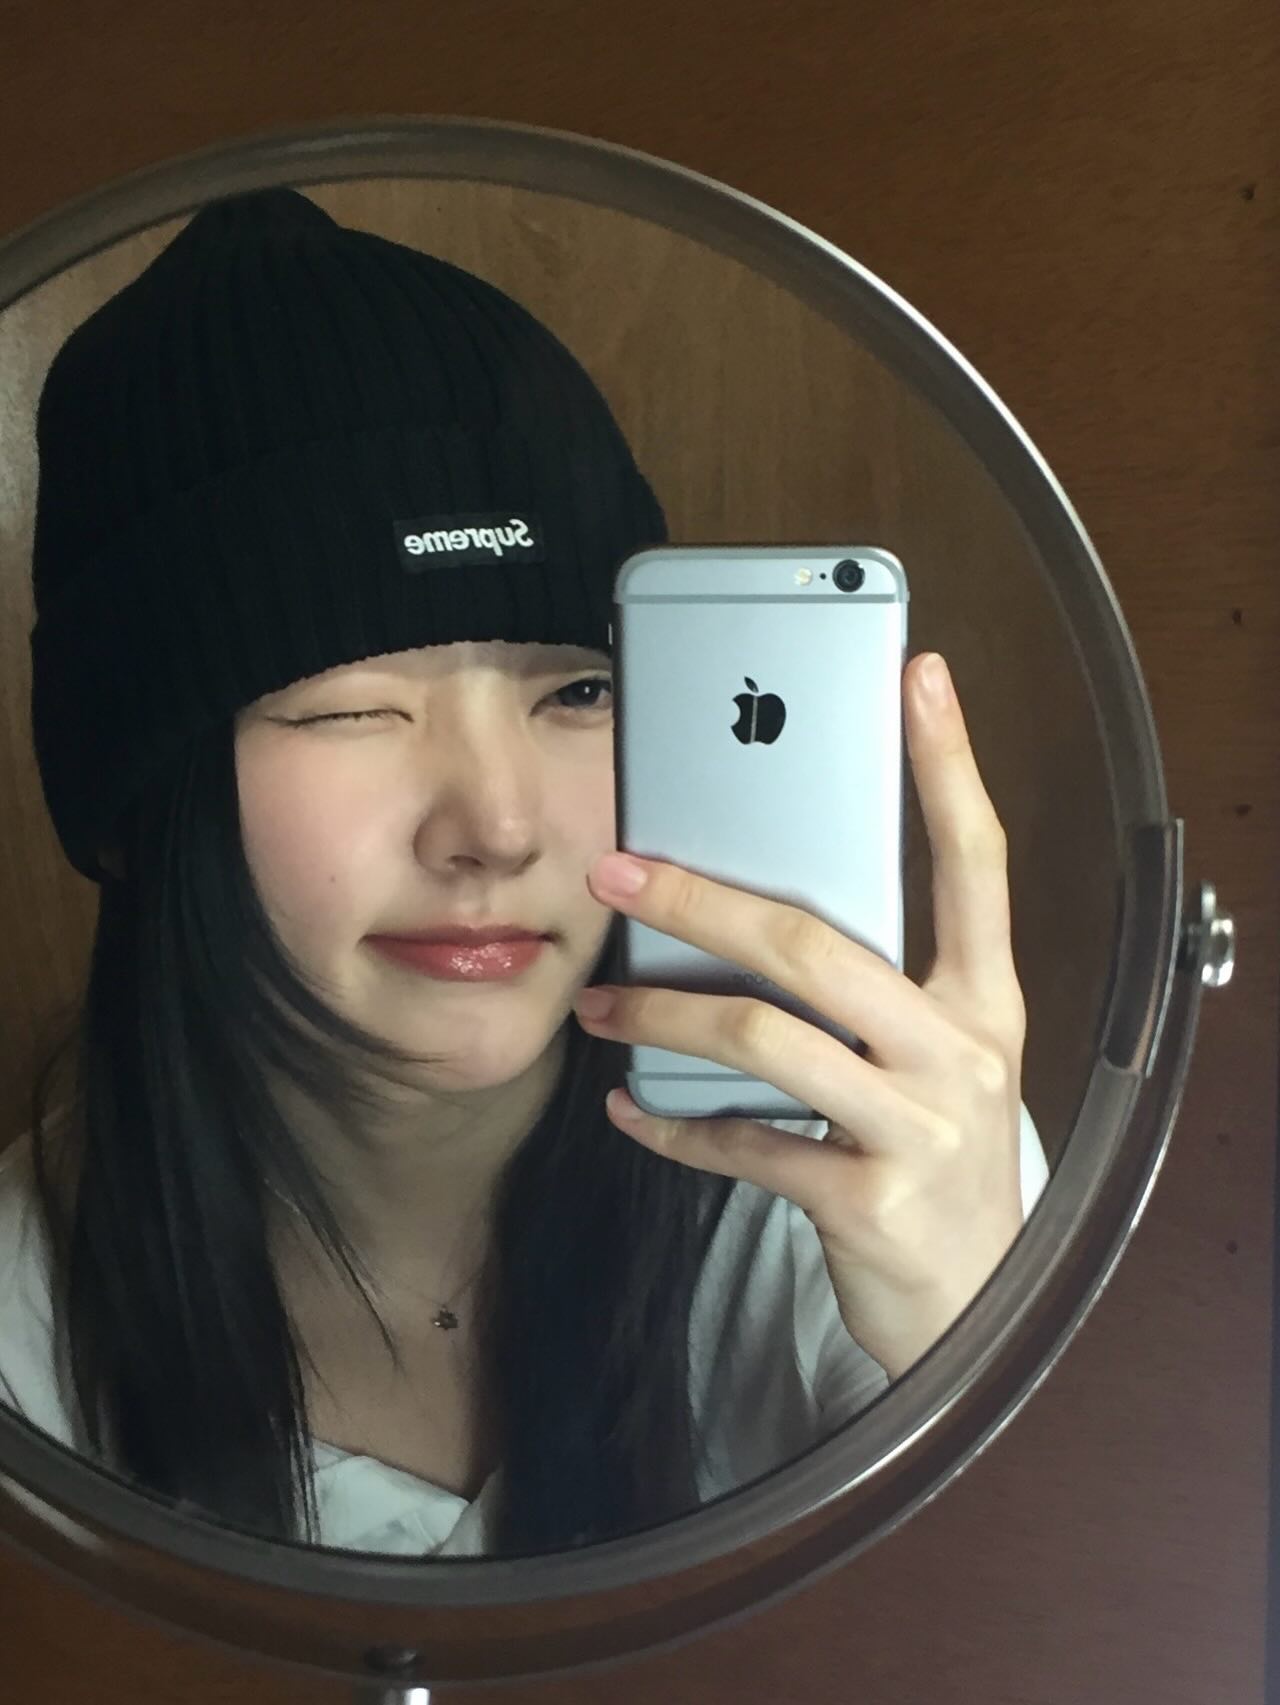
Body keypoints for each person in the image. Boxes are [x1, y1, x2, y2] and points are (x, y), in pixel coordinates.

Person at [0, 189, 1048, 1559]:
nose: (495, 826)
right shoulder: (24, 1325)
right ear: (139, 808)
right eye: (352, 707)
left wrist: (978, 1345)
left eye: (576, 693)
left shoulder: (859, 1172)